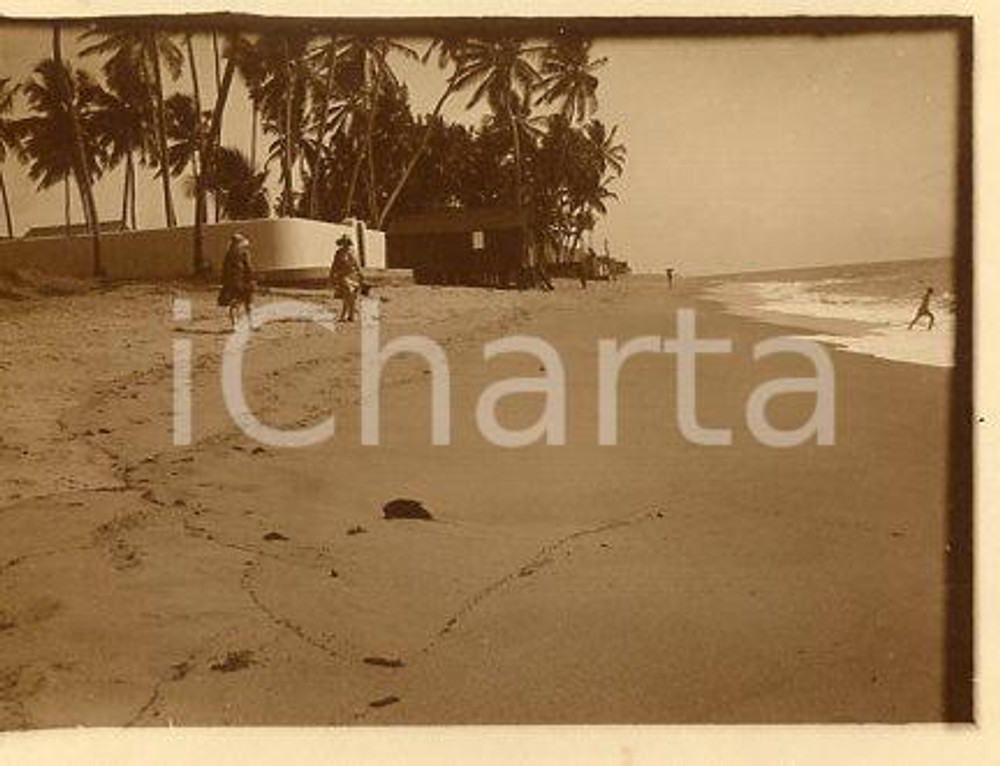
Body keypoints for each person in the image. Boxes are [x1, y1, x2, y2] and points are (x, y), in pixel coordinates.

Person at [217, 232, 255, 330]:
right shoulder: (231, 255)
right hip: (236, 282)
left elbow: (249, 267)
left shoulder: (242, 254)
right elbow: (225, 270)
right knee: (237, 304)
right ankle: (238, 324)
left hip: (242, 281)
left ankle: (248, 323)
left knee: (246, 304)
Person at [330, 234, 363, 322]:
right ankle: (344, 315)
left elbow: (357, 265)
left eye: (347, 242)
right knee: (348, 293)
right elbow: (334, 265)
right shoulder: (339, 253)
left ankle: (350, 315)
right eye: (344, 242)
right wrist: (332, 275)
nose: (346, 244)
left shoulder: (353, 252)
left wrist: (360, 275)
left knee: (352, 296)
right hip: (343, 276)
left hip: (353, 276)